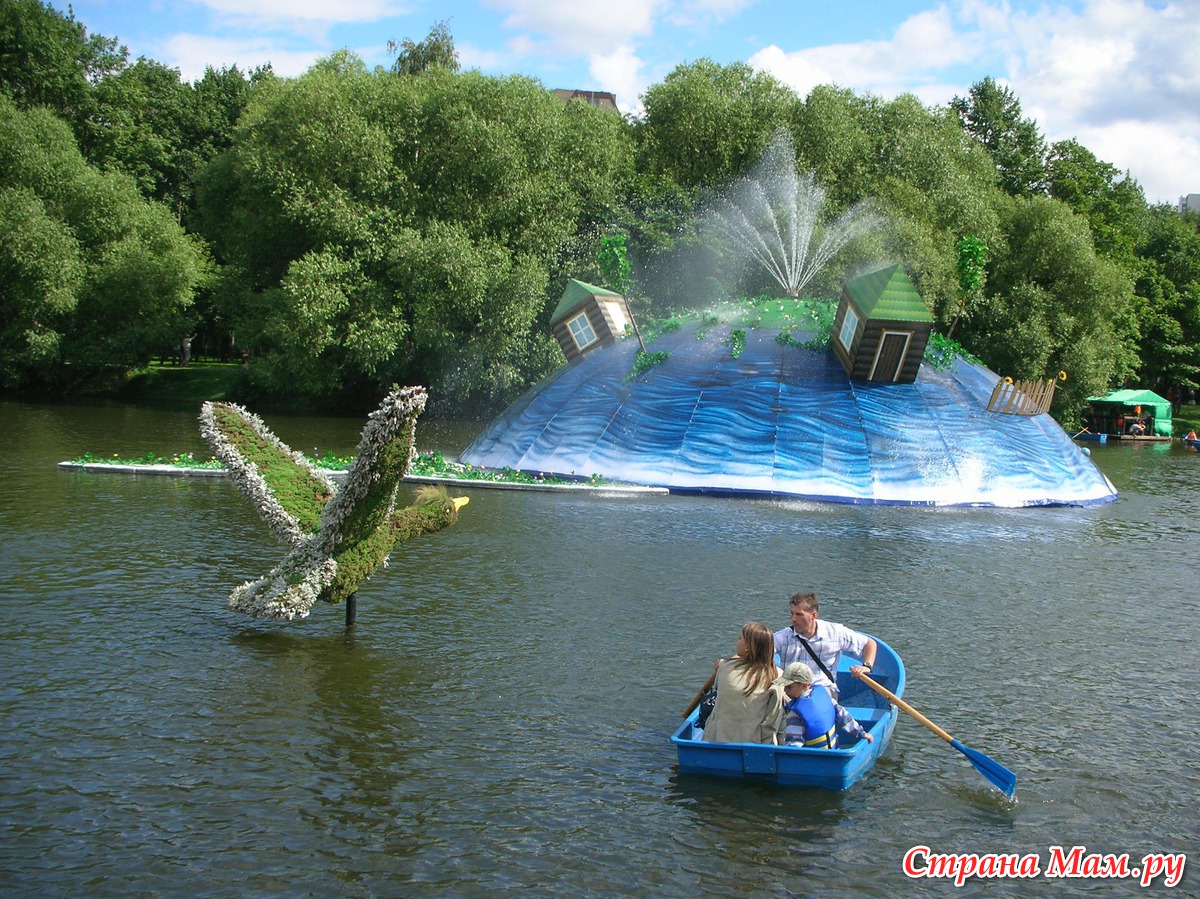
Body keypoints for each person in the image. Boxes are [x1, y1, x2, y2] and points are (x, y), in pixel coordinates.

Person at [773, 591, 876, 699]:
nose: (793, 619)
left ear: (813, 615)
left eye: (799, 614)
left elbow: (869, 643)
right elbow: (763, 656)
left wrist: (866, 666)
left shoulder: (834, 632)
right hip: (790, 689)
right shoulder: (782, 637)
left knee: (812, 702)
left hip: (821, 688)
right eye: (792, 613)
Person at [701, 622, 784, 744]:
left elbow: (718, 687)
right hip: (752, 743)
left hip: (716, 739)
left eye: (739, 638)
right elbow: (772, 718)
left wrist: (725, 662)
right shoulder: (777, 675)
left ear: (748, 648)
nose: (737, 641)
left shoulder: (724, 668)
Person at [773, 662, 873, 749]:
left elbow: (794, 745)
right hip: (833, 752)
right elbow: (844, 717)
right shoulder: (825, 696)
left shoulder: (794, 713)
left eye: (789, 687)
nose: (785, 691)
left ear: (804, 685)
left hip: (811, 760)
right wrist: (861, 733)